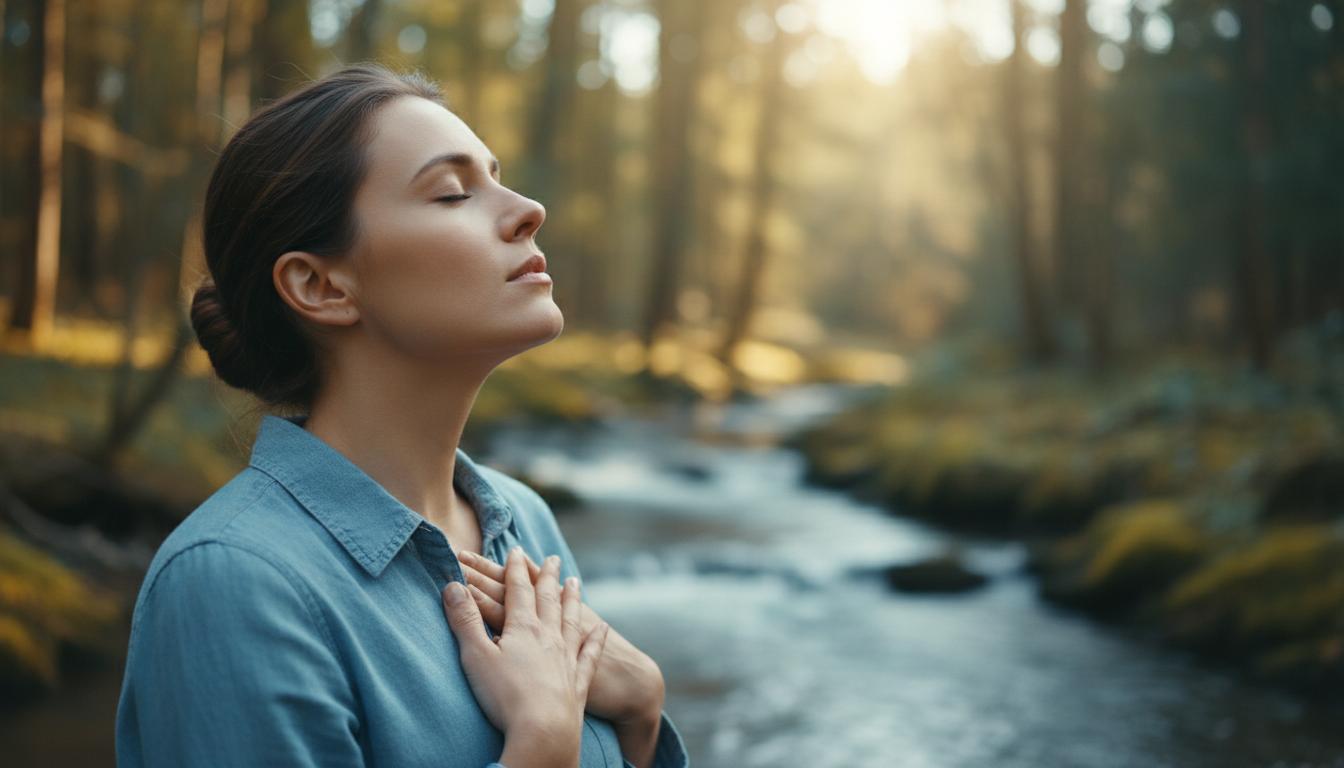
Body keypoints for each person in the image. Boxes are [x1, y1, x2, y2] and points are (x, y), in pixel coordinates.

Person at [114, 63, 688, 768]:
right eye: (452, 193)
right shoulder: (232, 583)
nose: (527, 209)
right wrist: (540, 745)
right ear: (320, 286)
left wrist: (643, 714)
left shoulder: (524, 522)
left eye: (498, 177)